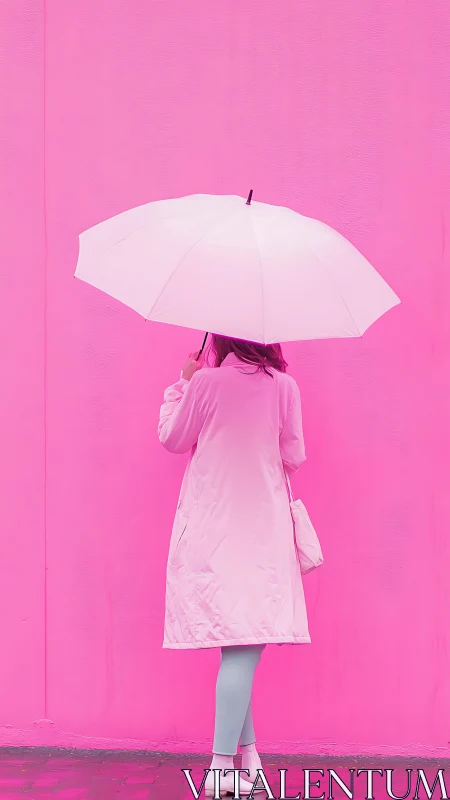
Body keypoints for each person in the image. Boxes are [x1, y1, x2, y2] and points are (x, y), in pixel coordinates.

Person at [158, 334, 310, 797]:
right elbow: (294, 456)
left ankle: (243, 759)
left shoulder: (203, 383)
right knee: (244, 644)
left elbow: (172, 438)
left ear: (221, 337)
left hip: (213, 528)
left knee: (238, 644)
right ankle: (225, 767)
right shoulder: (284, 387)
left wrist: (179, 385)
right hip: (261, 529)